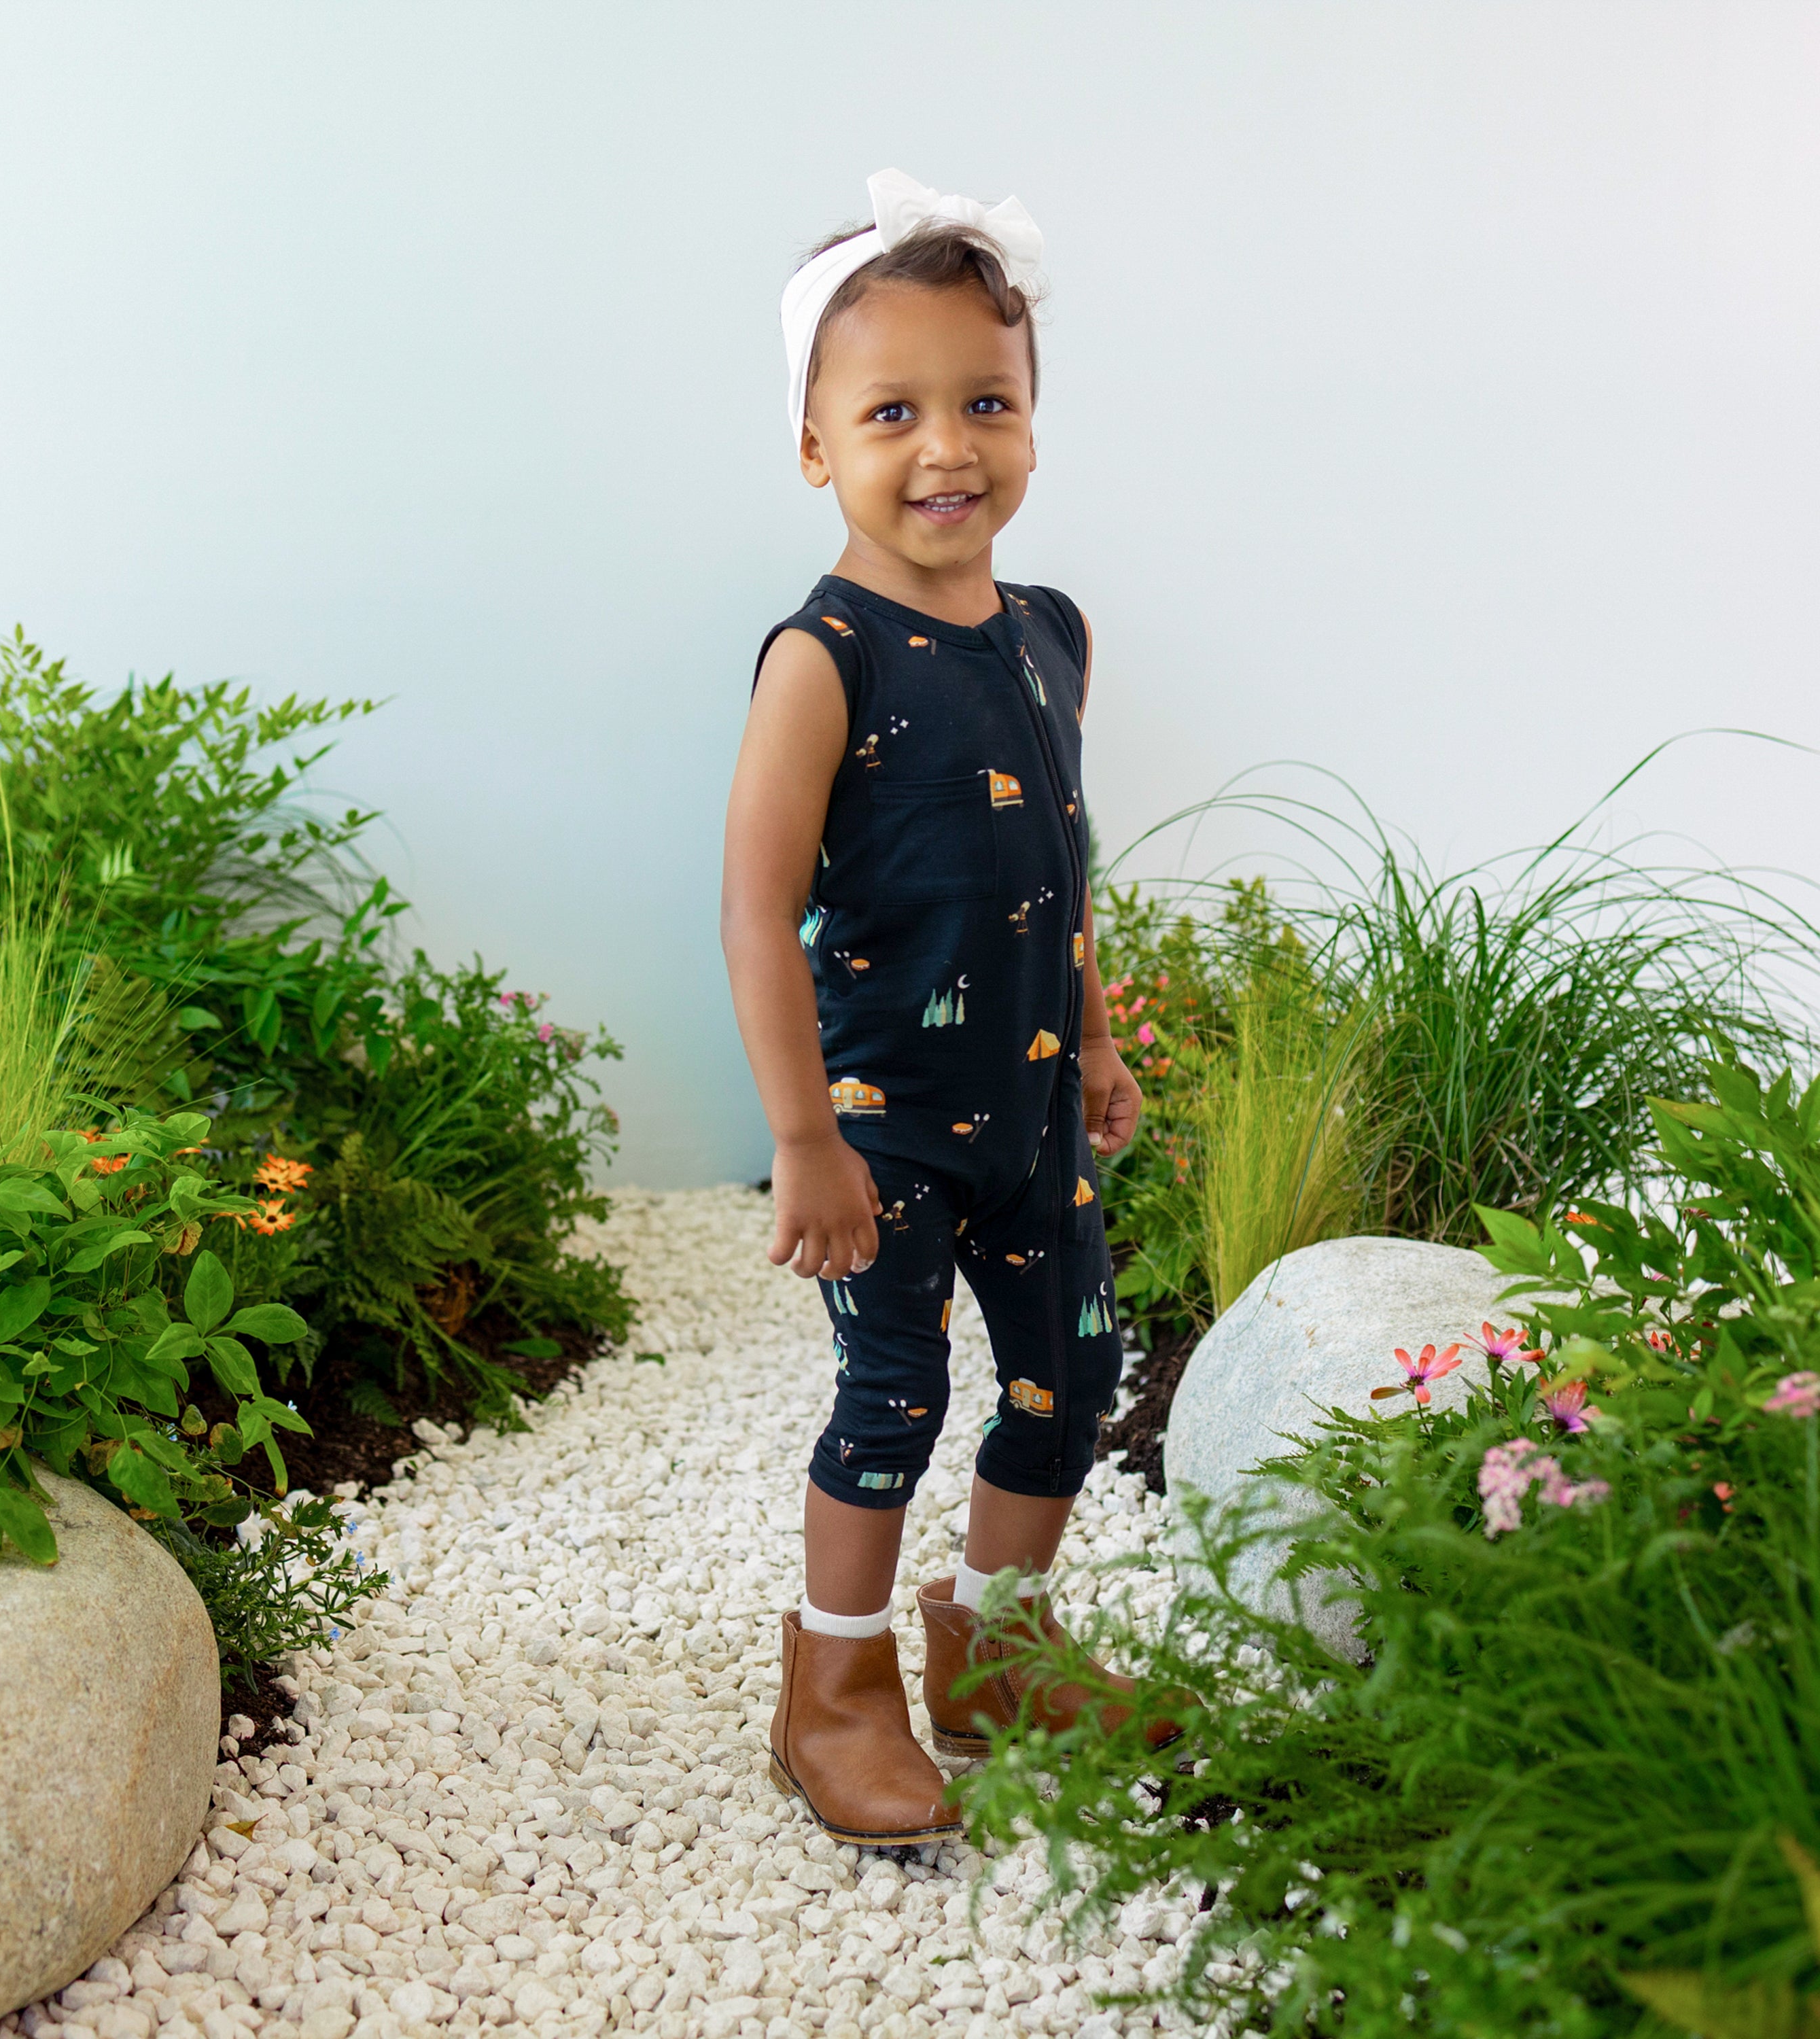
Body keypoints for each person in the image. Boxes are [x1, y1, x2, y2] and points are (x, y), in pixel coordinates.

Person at [722, 170, 1176, 1847]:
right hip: (887, 1132)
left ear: (1036, 427)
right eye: (892, 409)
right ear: (815, 445)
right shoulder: (821, 657)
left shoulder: (1051, 633)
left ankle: (998, 1650)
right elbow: (755, 912)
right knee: (894, 1398)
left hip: (1036, 1115)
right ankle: (833, 1684)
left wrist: (1103, 1035)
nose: (947, 448)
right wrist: (802, 1140)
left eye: (986, 402)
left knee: (1075, 1365)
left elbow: (1056, 862)